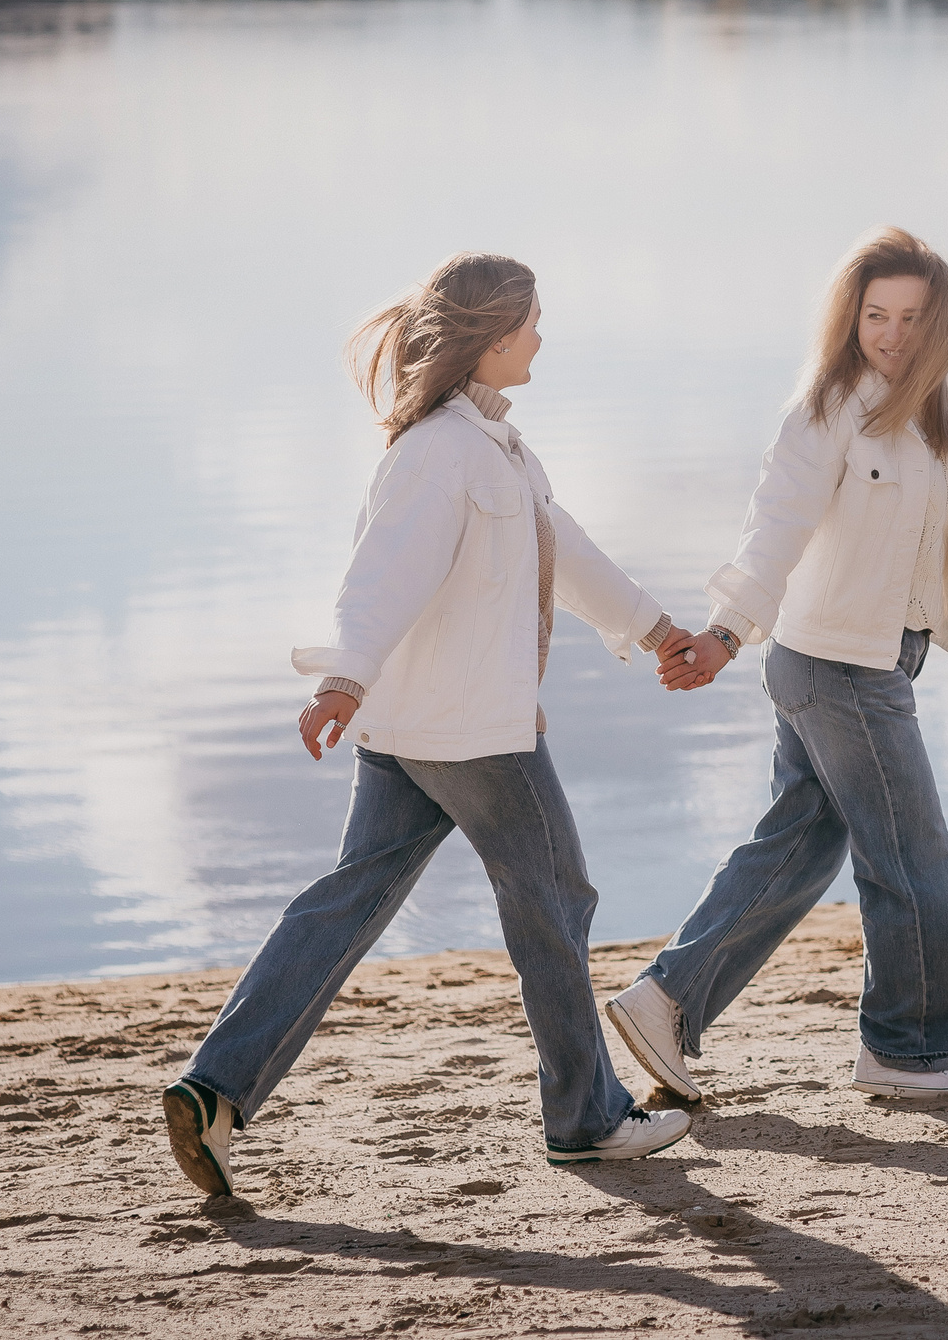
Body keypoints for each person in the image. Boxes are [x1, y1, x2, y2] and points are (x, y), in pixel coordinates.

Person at [162, 252, 696, 1194]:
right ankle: (586, 1117)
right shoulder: (436, 455)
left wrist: (652, 627)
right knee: (556, 900)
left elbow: (563, 550)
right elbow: (380, 579)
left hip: (415, 732)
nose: (541, 337)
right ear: (492, 341)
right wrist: (343, 677)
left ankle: (217, 1090)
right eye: (531, 323)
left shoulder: (493, 450)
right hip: (475, 733)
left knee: (347, 903)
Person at [603, 227, 948, 1103]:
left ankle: (664, 999)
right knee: (913, 857)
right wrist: (725, 633)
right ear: (850, 320)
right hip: (836, 666)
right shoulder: (828, 411)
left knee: (797, 853)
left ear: (943, 322)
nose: (890, 333)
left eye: (910, 316)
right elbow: (774, 528)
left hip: (868, 664)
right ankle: (906, 1049)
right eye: (875, 315)